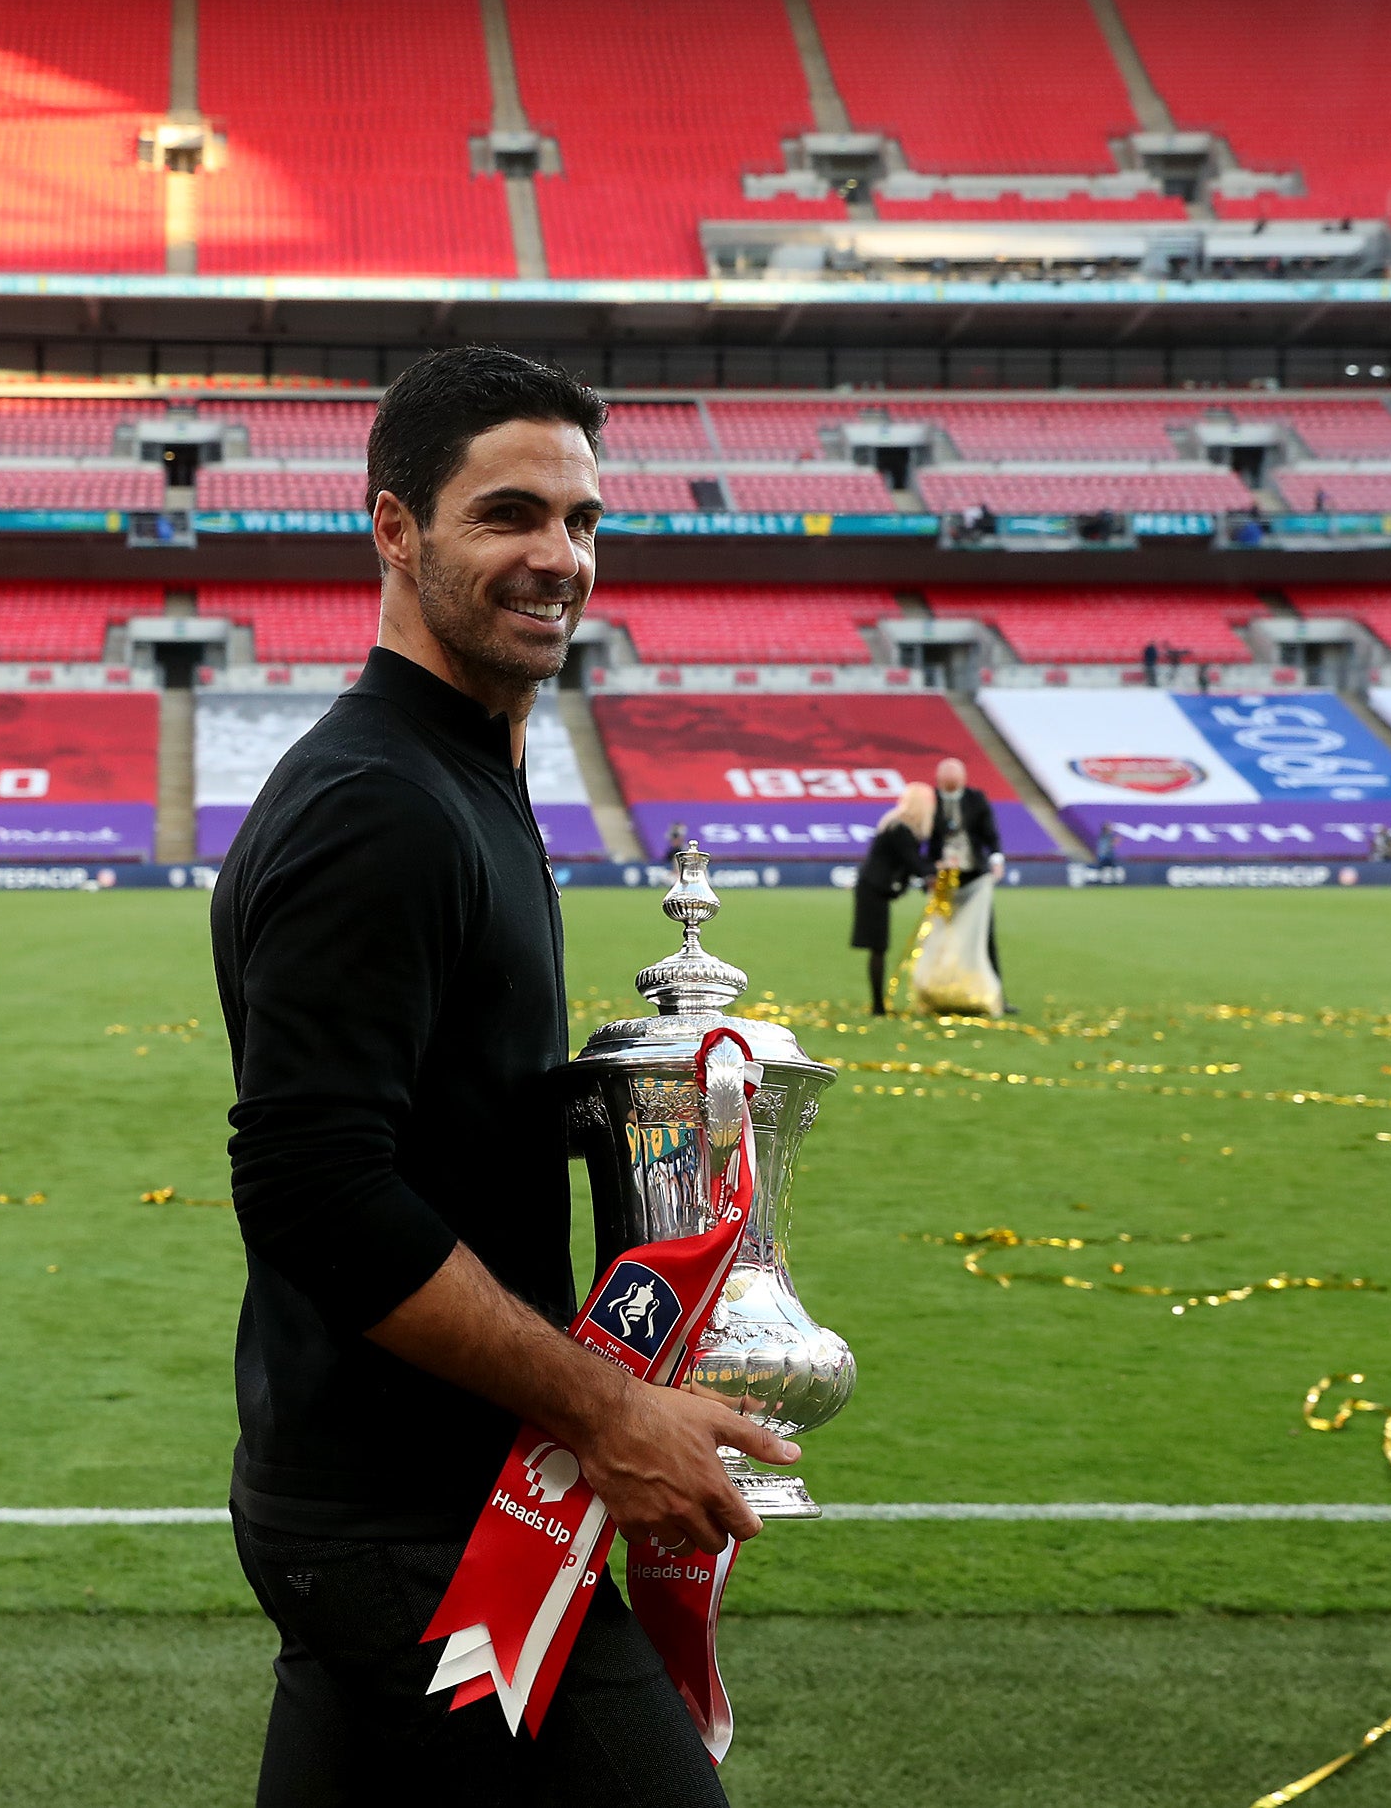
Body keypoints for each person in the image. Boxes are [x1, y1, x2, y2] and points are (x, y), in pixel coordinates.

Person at [210, 347, 791, 1807]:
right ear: (395, 528)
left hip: (392, 1500)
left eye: (585, 521)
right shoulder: (383, 808)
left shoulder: (462, 778)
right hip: (415, 1529)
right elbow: (311, 1186)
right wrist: (611, 1410)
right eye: (510, 514)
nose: (559, 557)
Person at [852, 782, 936, 1015]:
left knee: (878, 946)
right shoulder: (900, 829)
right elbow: (913, 862)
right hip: (874, 888)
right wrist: (936, 869)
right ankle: (878, 1006)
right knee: (878, 946)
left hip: (875, 887)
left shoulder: (896, 824)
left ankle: (879, 1004)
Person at [926, 756, 1005, 978]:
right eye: (947, 784)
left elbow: (990, 833)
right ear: (938, 780)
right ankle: (941, 988)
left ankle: (994, 992)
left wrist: (996, 858)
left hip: (974, 876)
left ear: (964, 780)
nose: (951, 788)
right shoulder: (929, 800)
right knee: (941, 935)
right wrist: (927, 870)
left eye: (955, 783)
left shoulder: (976, 799)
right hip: (941, 878)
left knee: (983, 934)